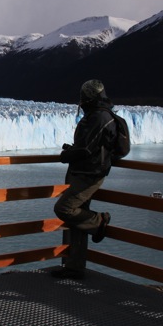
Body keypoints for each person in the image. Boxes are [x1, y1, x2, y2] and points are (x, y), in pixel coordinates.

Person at [52, 79, 116, 279]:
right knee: (78, 219)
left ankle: (99, 221)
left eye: (84, 96)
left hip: (90, 174)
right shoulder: (97, 115)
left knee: (64, 209)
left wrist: (67, 156)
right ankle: (75, 267)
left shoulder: (99, 117)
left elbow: (87, 149)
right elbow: (90, 146)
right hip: (84, 172)